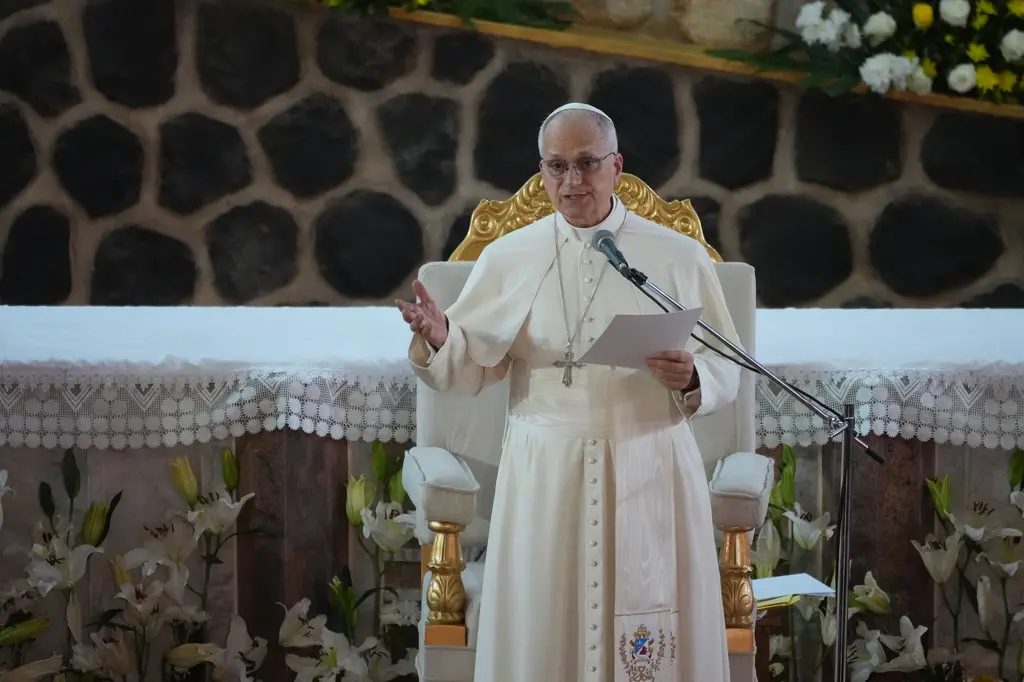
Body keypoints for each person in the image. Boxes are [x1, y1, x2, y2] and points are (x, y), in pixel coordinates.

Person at [395, 102, 741, 682]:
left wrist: (693, 377)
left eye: (587, 163)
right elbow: (472, 364)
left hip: (649, 460)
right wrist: (441, 336)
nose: (572, 180)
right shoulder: (509, 256)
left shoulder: (675, 255)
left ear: (616, 166)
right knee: (545, 622)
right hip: (544, 471)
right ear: (542, 171)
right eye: (556, 166)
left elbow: (728, 361)